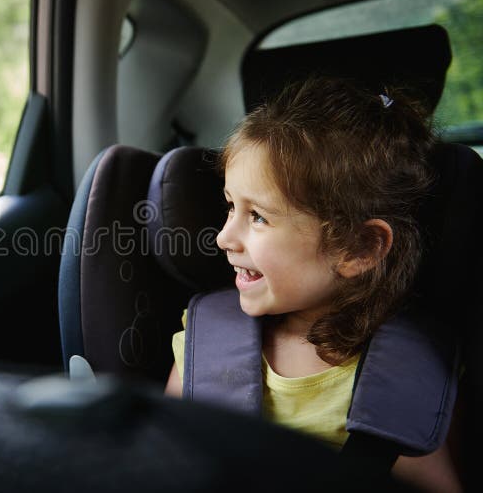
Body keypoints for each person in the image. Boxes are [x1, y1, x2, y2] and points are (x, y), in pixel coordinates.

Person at [164, 76, 461, 492]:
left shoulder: (407, 377)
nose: (223, 237)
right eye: (231, 206)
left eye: (258, 217)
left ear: (358, 248)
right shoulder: (203, 344)